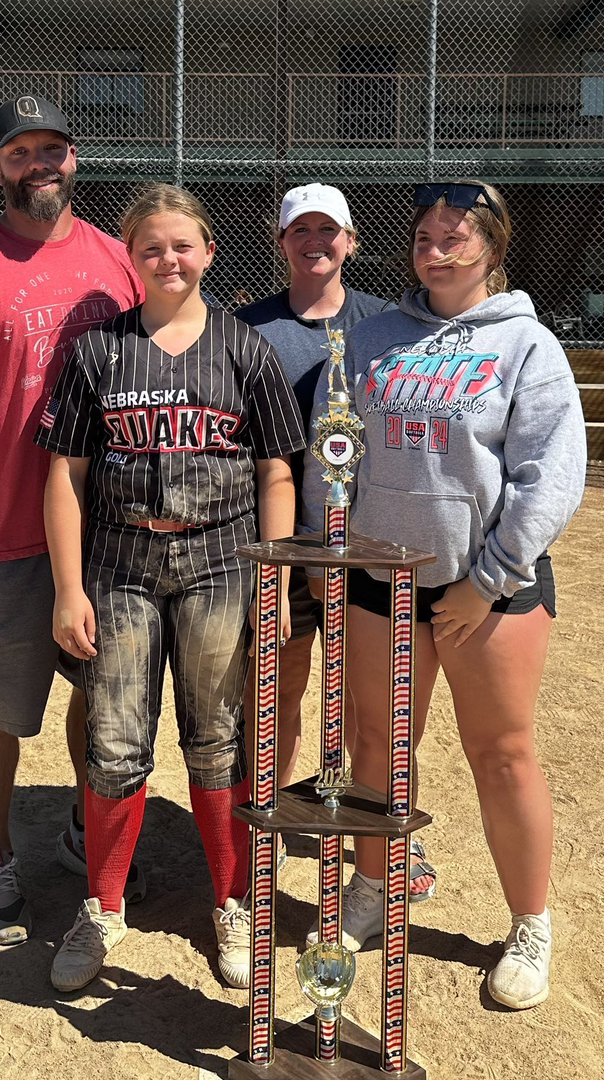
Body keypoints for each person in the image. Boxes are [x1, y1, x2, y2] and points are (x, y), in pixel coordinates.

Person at [301, 180, 586, 1009]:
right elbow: (331, 452)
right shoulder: (369, 338)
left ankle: (528, 921)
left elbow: (550, 477)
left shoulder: (525, 346)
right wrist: (329, 548)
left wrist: (487, 579)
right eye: (425, 235)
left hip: (486, 590)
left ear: (493, 248)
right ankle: (371, 886)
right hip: (377, 584)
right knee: (378, 748)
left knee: (501, 755)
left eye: (455, 236)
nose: (436, 248)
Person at [35, 183, 306, 992]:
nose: (168, 260)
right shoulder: (100, 349)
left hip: (219, 562)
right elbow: (65, 472)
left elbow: (276, 468)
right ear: (131, 257)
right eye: (151, 247)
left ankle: (231, 905)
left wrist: (279, 576)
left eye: (183, 245)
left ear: (209, 253)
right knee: (117, 740)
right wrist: (65, 589)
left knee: (215, 734)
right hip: (119, 562)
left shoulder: (240, 346)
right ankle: (102, 907)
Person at [0, 96, 146, 947]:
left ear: (74, 160)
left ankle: (90, 834)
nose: (40, 162)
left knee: (103, 696)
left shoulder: (118, 261)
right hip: (2, 531)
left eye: (54, 147)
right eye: (21, 150)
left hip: (108, 530)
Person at [236, 184, 435, 897]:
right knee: (279, 692)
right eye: (300, 230)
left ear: (350, 240)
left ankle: (375, 844)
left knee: (366, 706)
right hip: (285, 545)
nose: (314, 241)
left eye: (329, 229)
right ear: (281, 240)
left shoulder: (385, 323)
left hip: (365, 550)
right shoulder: (247, 327)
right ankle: (270, 829)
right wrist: (284, 553)